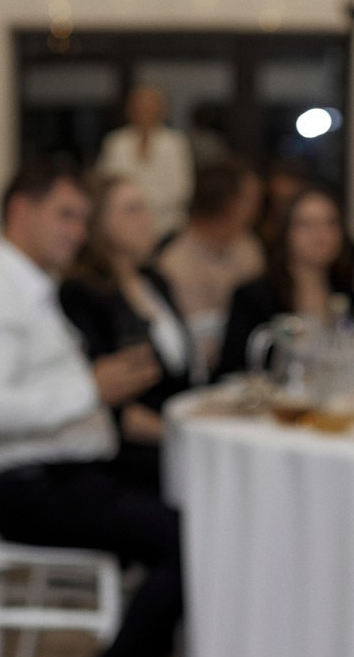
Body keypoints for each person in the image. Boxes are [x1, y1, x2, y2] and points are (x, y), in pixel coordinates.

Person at [0, 159, 183, 657]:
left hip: (66, 469)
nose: (77, 231)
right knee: (185, 539)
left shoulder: (27, 285)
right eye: (65, 216)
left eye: (81, 219)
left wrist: (99, 387)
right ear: (21, 211)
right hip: (30, 488)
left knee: (192, 498)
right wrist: (89, 390)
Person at [60, 175, 200, 495]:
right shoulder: (83, 294)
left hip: (175, 432)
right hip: (130, 450)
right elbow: (106, 399)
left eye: (147, 209)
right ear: (100, 224)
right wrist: (179, 437)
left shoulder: (156, 282)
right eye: (132, 210)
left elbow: (182, 375)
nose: (147, 219)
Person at [215, 185, 354, 379]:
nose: (320, 234)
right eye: (306, 224)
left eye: (330, 223)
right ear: (286, 231)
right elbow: (233, 370)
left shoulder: (348, 290)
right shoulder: (254, 297)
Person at [155, 161, 264, 373]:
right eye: (250, 199)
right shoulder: (176, 262)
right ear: (229, 206)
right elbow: (202, 343)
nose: (258, 207)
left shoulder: (248, 245)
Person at [96, 85, 193, 240]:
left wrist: (140, 204)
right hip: (122, 228)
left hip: (167, 227)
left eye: (150, 107)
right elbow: (105, 182)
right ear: (130, 110)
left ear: (161, 110)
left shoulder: (175, 143)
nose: (145, 112)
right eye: (140, 107)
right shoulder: (116, 142)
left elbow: (182, 188)